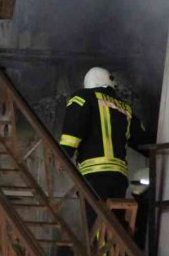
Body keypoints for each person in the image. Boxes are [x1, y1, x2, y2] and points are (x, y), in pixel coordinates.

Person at [59, 66, 148, 227]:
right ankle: (115, 243)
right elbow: (143, 141)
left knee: (96, 223)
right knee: (114, 222)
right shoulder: (125, 108)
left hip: (93, 175)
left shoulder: (83, 98)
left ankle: (100, 244)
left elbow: (72, 132)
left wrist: (63, 155)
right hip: (118, 178)